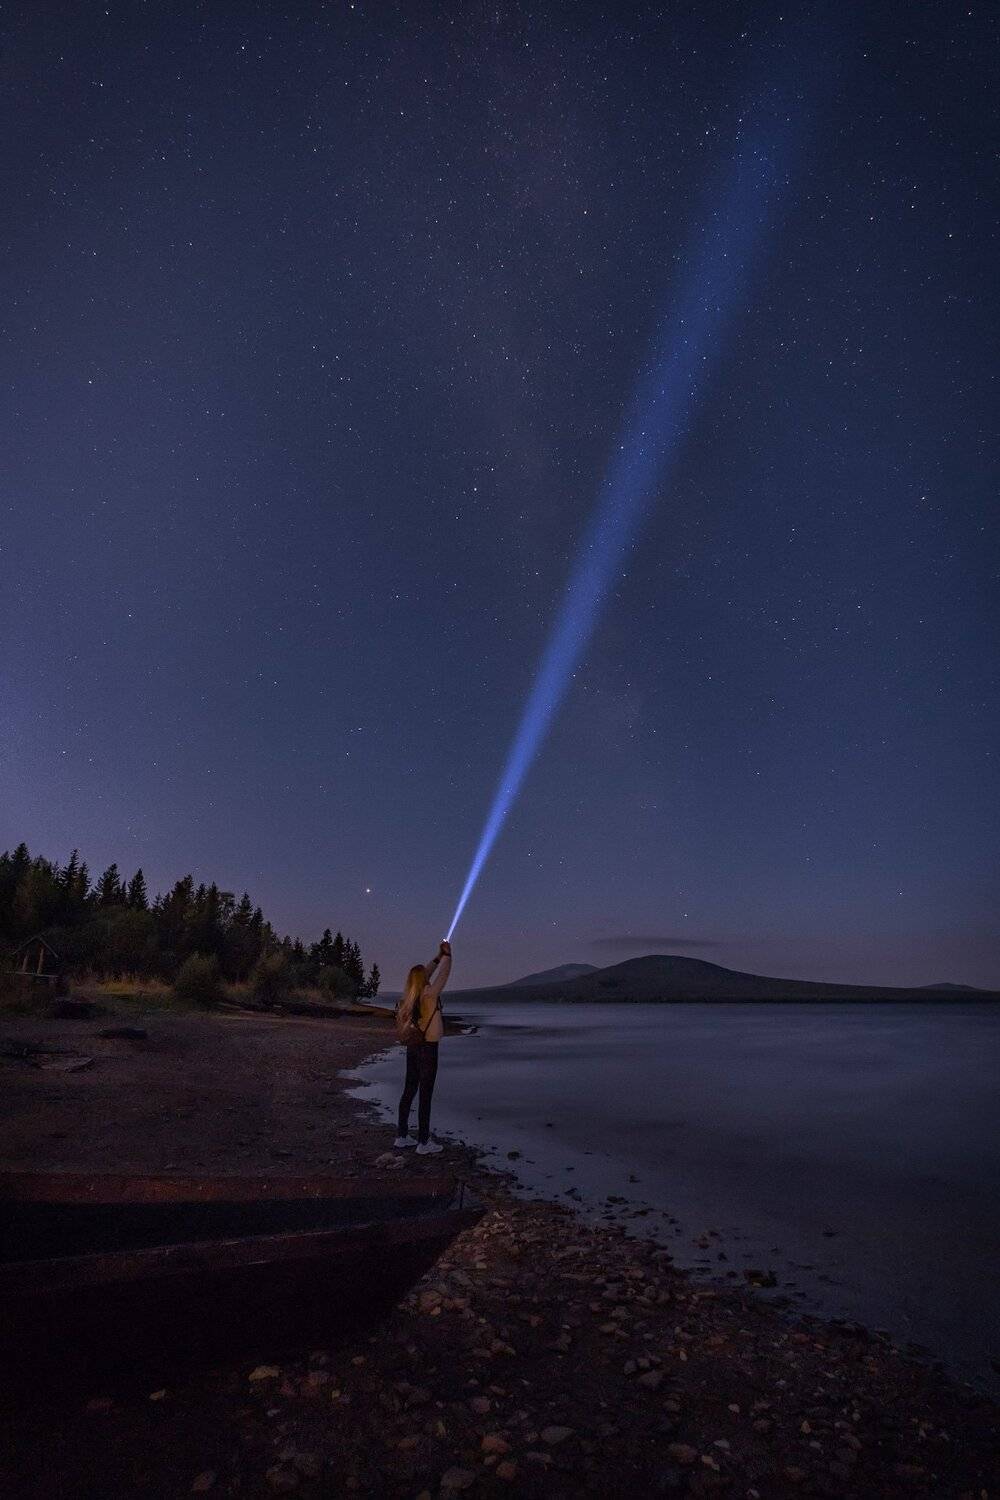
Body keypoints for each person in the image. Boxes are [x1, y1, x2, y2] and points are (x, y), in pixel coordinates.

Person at [395, 939, 451, 1155]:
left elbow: (425, 974)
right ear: (423, 980)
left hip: (413, 1046)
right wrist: (448, 957)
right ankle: (424, 1142)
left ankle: (401, 1136)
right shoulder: (428, 994)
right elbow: (442, 978)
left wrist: (437, 958)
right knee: (425, 1094)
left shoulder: (410, 995)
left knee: (409, 1089)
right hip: (428, 1048)